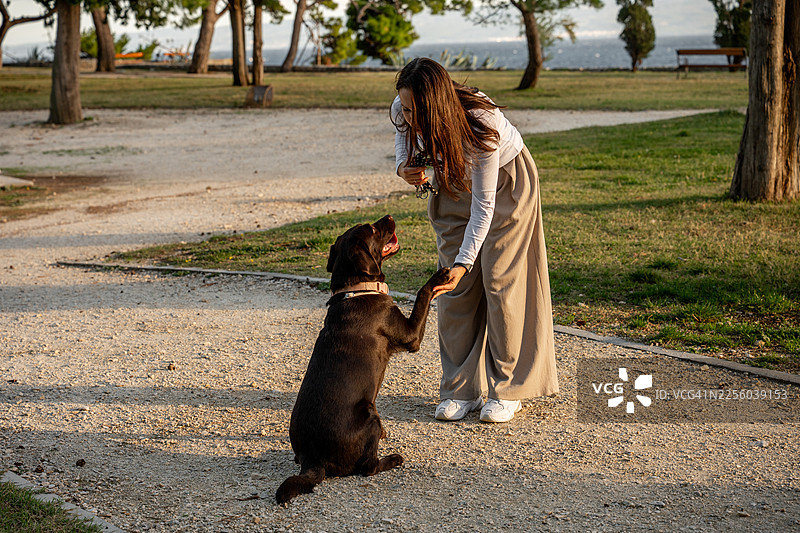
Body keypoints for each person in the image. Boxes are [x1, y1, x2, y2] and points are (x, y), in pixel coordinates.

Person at [391, 57, 558, 423]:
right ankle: (460, 389)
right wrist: (405, 169)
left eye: (419, 111)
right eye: (406, 109)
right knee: (452, 289)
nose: (411, 117)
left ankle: (509, 388)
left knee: (500, 280)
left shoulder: (481, 122)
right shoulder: (404, 108)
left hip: (505, 182)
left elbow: (484, 206)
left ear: (438, 105)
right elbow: (403, 152)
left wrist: (466, 263)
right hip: (452, 179)